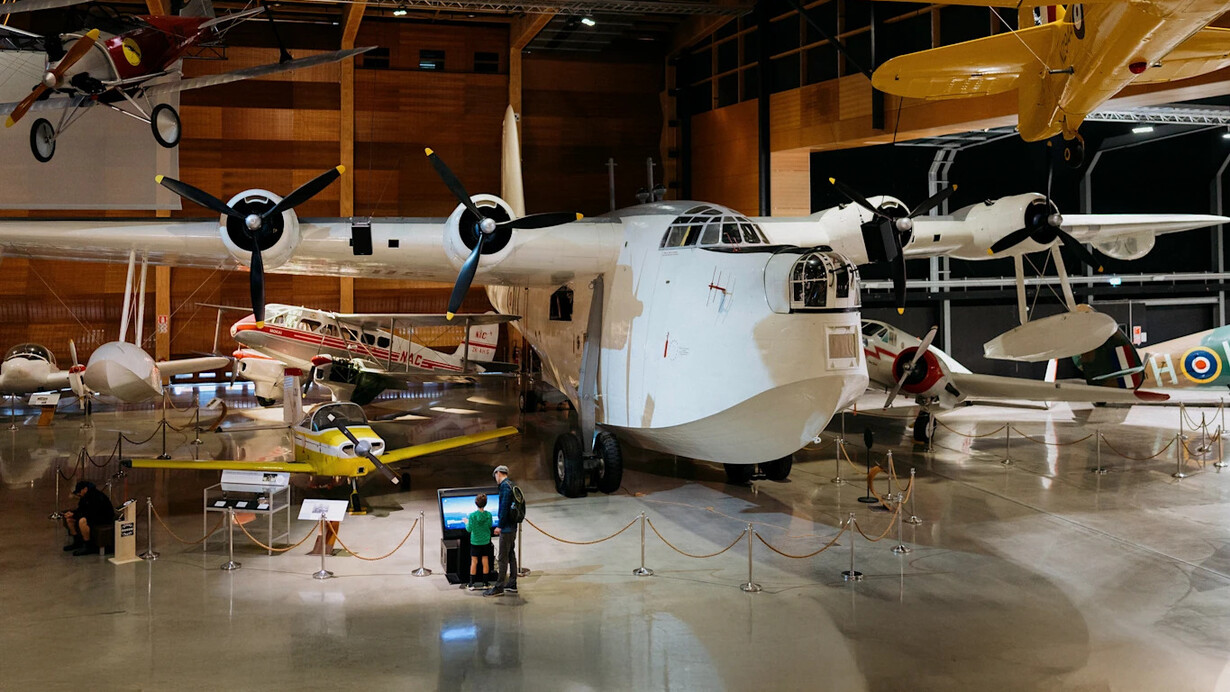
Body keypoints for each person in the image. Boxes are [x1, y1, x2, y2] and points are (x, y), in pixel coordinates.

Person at [483, 465, 518, 597]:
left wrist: (500, 525)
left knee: (502, 558)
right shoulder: (512, 484)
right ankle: (512, 583)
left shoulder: (504, 486)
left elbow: (504, 508)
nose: (495, 479)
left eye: (495, 476)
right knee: (511, 555)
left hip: (507, 528)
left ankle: (499, 588)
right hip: (513, 527)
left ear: (498, 473)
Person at [62, 480, 114, 556]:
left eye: (79, 491)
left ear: (85, 489)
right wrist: (72, 514)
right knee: (70, 520)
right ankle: (77, 542)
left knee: (82, 521)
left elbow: (91, 513)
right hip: (93, 516)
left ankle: (88, 546)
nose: (78, 494)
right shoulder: (84, 497)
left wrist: (75, 515)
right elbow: (81, 509)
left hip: (103, 518)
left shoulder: (96, 496)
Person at [464, 493, 494, 591]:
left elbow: (469, 529)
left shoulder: (472, 516)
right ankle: (485, 583)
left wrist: (466, 522)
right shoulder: (489, 515)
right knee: (485, 561)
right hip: (485, 542)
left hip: (475, 542)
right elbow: (490, 525)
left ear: (476, 503)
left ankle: (471, 583)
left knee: (474, 562)